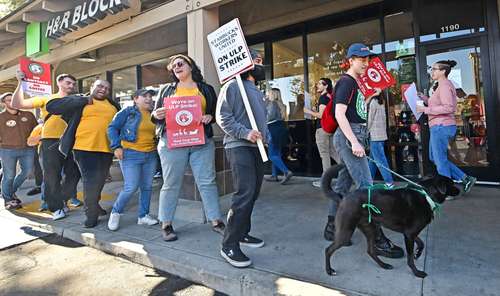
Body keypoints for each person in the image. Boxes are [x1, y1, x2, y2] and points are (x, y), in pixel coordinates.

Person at [326, 43, 403, 258]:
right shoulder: (346, 82)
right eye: (361, 59)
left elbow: (356, 110)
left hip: (356, 134)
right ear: (351, 60)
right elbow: (340, 114)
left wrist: (371, 96)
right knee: (367, 187)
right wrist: (355, 142)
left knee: (342, 185)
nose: (366, 63)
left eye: (368, 59)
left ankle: (332, 227)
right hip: (350, 136)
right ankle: (377, 240)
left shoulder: (356, 84)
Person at [152, 54, 225, 241]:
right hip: (172, 142)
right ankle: (166, 224)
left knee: (207, 181)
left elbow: (215, 112)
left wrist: (210, 117)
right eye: (173, 66)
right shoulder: (166, 90)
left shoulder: (205, 89)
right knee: (170, 183)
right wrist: (157, 114)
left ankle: (216, 220)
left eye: (180, 63)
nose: (176, 67)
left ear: (190, 66)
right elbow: (155, 115)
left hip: (200, 142)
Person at [216, 49, 268, 268]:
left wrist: (265, 139)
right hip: (239, 146)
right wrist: (245, 132)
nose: (260, 64)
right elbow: (222, 117)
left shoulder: (255, 90)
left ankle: (243, 233)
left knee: (253, 193)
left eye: (261, 62)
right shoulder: (233, 85)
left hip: (257, 148)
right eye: (256, 60)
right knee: (244, 193)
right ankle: (229, 244)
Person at [46, 80, 120, 227]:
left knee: (100, 181)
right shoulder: (81, 100)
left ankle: (94, 205)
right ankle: (90, 213)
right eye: (99, 86)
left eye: (107, 88)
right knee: (91, 181)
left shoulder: (113, 105)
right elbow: (52, 106)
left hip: (106, 149)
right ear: (92, 87)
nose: (103, 89)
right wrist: (81, 99)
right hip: (84, 148)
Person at [12, 72, 82, 221]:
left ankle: (62, 199)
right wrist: (20, 82)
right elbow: (18, 104)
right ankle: (56, 207)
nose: (71, 86)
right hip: (51, 141)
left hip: (73, 141)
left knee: (74, 174)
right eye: (68, 83)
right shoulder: (46, 98)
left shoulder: (77, 100)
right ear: (59, 82)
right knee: (52, 176)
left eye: (73, 84)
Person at [416, 60, 476, 196]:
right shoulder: (442, 86)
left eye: (434, 69)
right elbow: (439, 103)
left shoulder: (444, 86)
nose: (432, 72)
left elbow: (449, 107)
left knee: (440, 160)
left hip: (441, 126)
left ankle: (447, 191)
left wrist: (425, 109)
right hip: (438, 126)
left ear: (443, 71)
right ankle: (465, 178)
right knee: (434, 157)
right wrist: (425, 98)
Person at [107, 89, 159, 231]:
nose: (149, 99)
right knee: (131, 187)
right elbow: (112, 128)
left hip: (150, 154)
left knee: (147, 187)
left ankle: (143, 216)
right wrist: (116, 146)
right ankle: (116, 212)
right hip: (130, 154)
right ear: (135, 99)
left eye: (150, 96)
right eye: (145, 96)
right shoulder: (127, 112)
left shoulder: (154, 113)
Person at [0, 93, 37, 210]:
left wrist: (35, 139)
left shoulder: (28, 115)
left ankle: (11, 192)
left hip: (28, 149)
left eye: (15, 100)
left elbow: (36, 130)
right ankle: (8, 200)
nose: (12, 102)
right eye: (9, 100)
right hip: (7, 150)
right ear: (3, 103)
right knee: (9, 176)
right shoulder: (1, 117)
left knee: (27, 172)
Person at [304, 78, 340, 188]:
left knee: (324, 155)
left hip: (322, 129)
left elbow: (321, 115)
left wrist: (308, 111)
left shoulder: (323, 98)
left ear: (326, 86)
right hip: (330, 129)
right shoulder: (330, 97)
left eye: (320, 83)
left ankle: (325, 181)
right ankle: (348, 172)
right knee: (334, 153)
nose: (317, 85)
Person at [264, 88, 293, 184]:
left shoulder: (272, 104)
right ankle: (274, 175)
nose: (267, 94)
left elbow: (269, 117)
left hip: (273, 129)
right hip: (281, 128)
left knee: (272, 155)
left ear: (273, 94)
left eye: (269, 93)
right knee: (277, 153)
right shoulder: (282, 105)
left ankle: (286, 171)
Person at [367, 95, 394, 186]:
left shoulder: (373, 102)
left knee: (380, 160)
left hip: (375, 135)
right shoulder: (381, 102)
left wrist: (366, 131)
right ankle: (368, 181)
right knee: (373, 160)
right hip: (381, 134)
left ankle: (389, 182)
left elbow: (370, 119)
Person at [26, 122, 48, 211]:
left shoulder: (63, 121)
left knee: (64, 177)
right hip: (45, 155)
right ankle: (45, 202)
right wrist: (43, 136)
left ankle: (69, 199)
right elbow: (30, 142)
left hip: (63, 154)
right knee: (47, 178)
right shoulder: (40, 127)